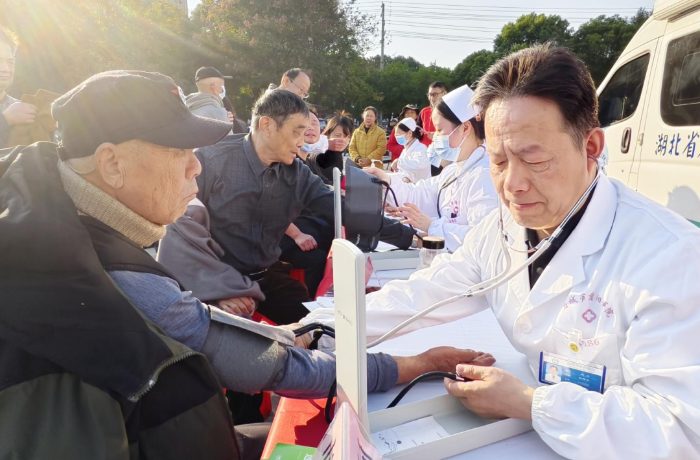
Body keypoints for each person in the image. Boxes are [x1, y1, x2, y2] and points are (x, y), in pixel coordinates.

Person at [0, 70, 496, 460]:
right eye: (179, 151)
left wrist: (407, 237)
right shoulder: (88, 265)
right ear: (111, 164)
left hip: (248, 298)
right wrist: (411, 365)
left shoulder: (57, 218)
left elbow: (338, 206)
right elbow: (214, 329)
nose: (195, 166)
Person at [303, 44, 700, 460]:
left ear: (591, 147)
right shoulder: (502, 230)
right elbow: (425, 293)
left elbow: (680, 431)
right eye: (498, 161)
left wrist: (530, 404)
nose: (512, 184)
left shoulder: (668, 257)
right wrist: (317, 327)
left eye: (534, 159)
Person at [196, 90, 412, 325]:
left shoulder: (296, 173)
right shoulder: (210, 162)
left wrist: (410, 237)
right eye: (297, 132)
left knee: (318, 330)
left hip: (267, 278)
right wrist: (215, 287)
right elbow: (179, 235)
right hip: (215, 280)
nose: (302, 142)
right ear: (267, 125)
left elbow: (342, 209)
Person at [365, 84, 498, 252]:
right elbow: (419, 194)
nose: (435, 137)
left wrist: (431, 226)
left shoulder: (485, 176)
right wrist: (386, 181)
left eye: (439, 130)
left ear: (465, 128)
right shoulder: (453, 171)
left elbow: (484, 240)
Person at [0, 28, 37, 149]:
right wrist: (5, 120)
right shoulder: (12, 114)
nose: (5, 69)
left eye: (10, 62)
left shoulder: (23, 110)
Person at [388, 117, 430, 183]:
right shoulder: (406, 149)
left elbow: (419, 165)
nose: (396, 137)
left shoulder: (421, 148)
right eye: (395, 135)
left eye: (398, 134)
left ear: (409, 133)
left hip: (420, 186)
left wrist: (399, 162)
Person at [419, 81, 448, 175]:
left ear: (444, 93)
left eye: (435, 94)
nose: (432, 98)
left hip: (443, 157)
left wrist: (436, 135)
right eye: (430, 95)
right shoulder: (424, 112)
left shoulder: (451, 112)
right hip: (426, 156)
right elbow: (417, 133)